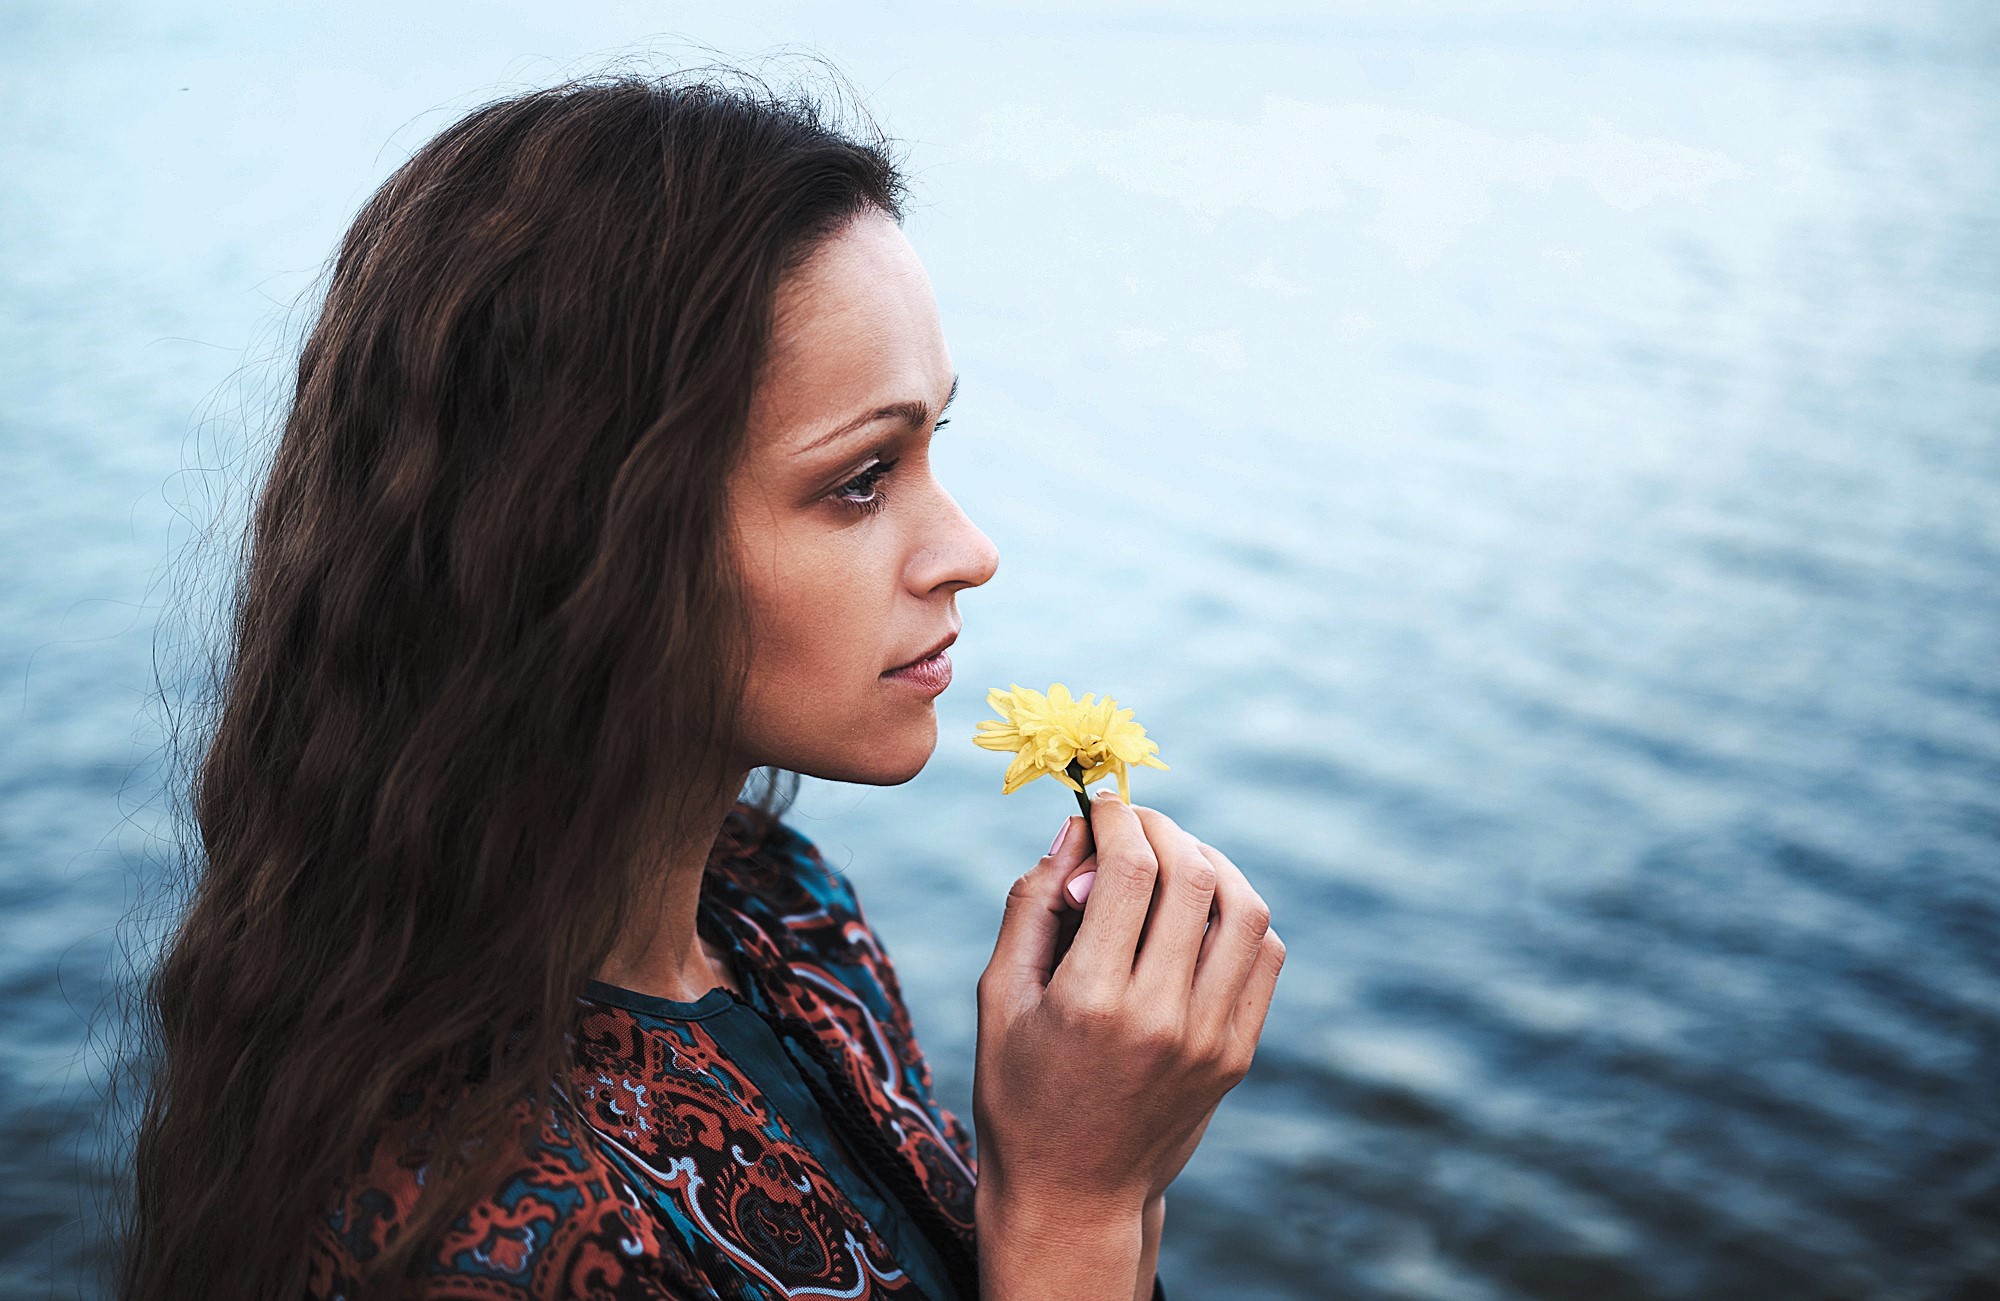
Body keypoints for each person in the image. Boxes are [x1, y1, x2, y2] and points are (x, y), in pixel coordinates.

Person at [117, 67, 1284, 1301]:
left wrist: (1112, 1133)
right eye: (858, 478)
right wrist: (1074, 1205)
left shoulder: (776, 902)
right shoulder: (465, 1235)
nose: (968, 552)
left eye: (935, 440)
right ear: (584, 538)